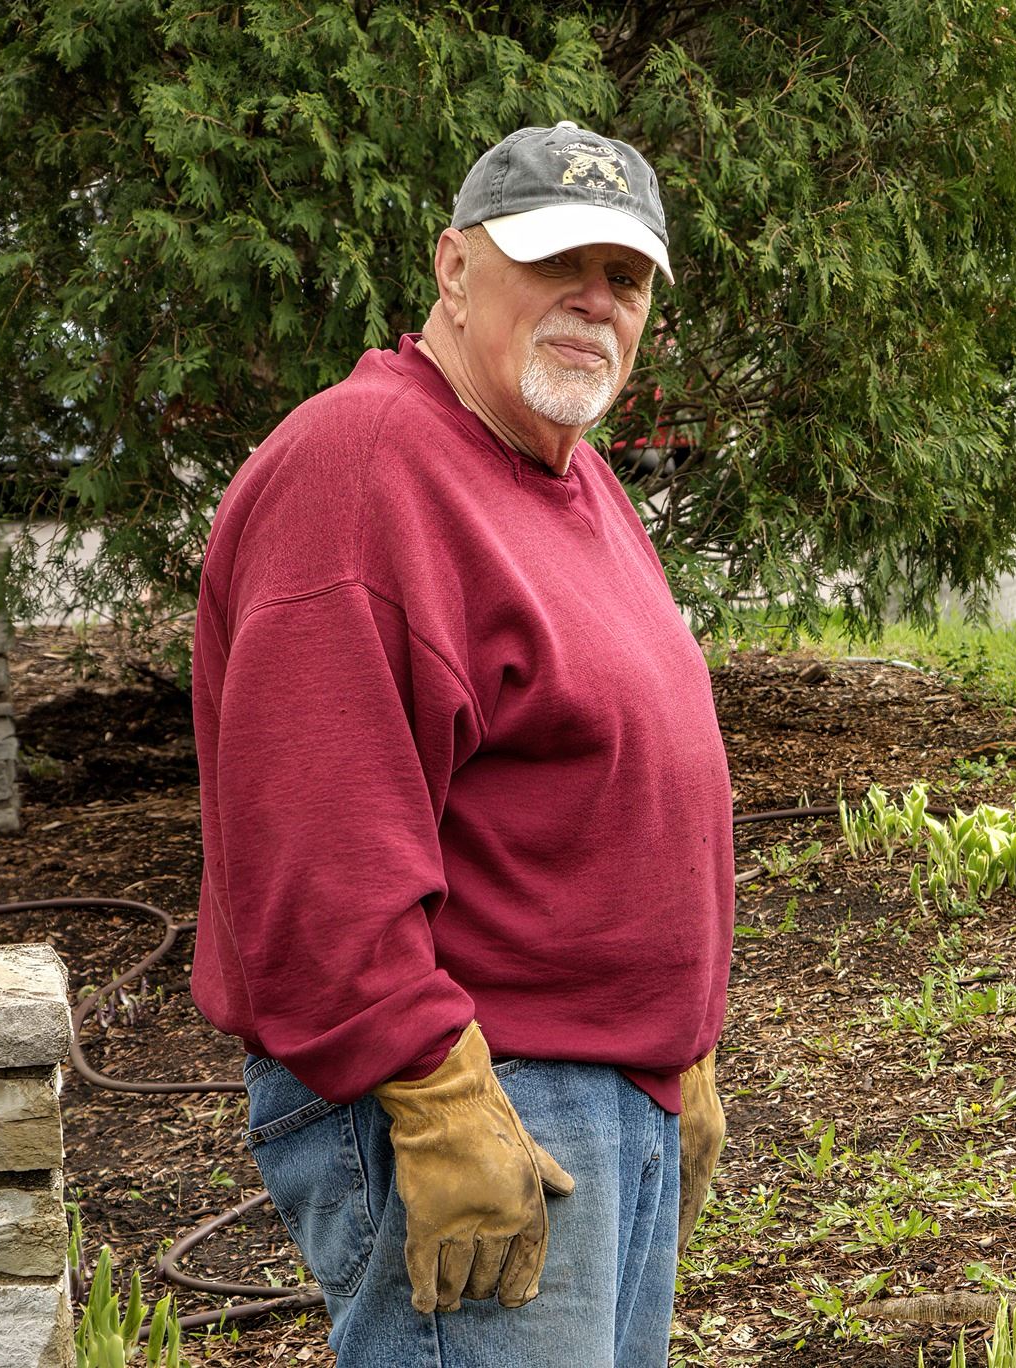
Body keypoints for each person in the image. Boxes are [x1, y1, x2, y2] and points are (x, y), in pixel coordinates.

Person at [192, 121, 732, 1368]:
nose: (594, 303)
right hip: (472, 1095)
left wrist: (678, 1043)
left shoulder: (561, 471)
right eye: (556, 264)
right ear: (452, 269)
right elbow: (315, 853)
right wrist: (433, 1092)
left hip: (605, 1093)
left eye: (627, 277)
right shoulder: (360, 469)